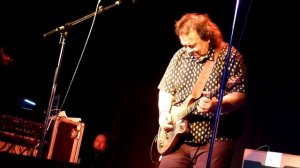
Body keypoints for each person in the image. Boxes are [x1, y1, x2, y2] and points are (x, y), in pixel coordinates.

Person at [156, 13, 247, 168]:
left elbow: (239, 94)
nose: (188, 50)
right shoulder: (180, 55)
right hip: (178, 139)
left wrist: (216, 104)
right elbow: (166, 89)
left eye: (192, 45)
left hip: (215, 138)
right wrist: (164, 112)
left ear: (207, 37)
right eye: (184, 45)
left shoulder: (230, 56)